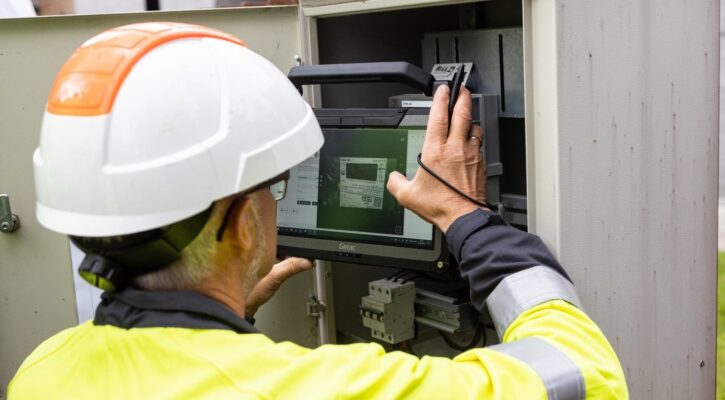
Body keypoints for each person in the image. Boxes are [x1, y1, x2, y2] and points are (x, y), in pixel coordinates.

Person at [9, 22, 627, 399]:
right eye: (272, 188)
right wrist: (468, 217)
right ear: (241, 225)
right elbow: (586, 373)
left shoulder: (43, 371)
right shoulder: (325, 390)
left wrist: (225, 314)